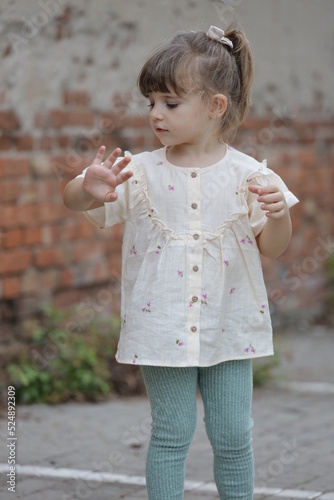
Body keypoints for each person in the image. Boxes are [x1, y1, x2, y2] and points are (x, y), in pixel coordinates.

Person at [63, 24, 299, 500]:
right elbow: (77, 203)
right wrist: (83, 187)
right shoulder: (139, 171)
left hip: (229, 329)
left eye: (170, 103)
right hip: (161, 328)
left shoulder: (252, 175)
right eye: (150, 102)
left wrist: (277, 216)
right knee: (171, 435)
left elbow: (272, 248)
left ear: (215, 106)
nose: (156, 114)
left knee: (233, 435)